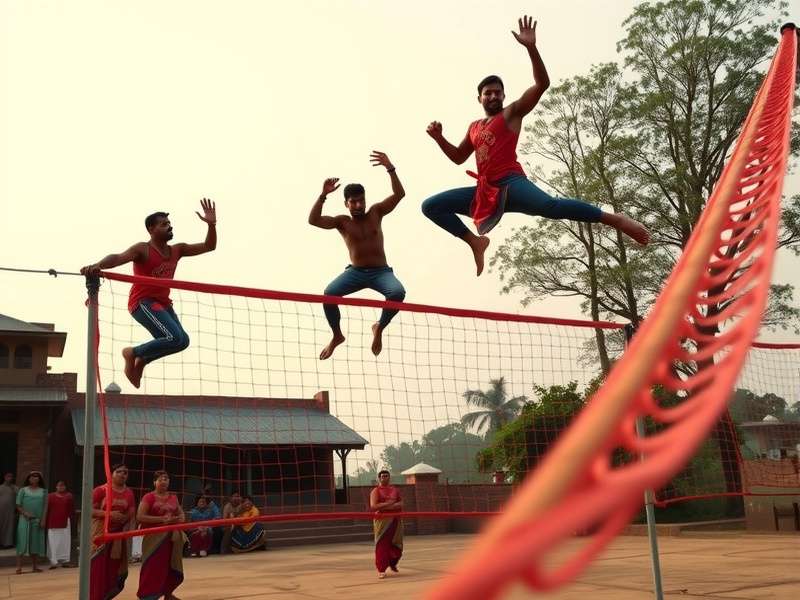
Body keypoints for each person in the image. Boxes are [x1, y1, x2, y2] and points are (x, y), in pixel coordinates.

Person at [422, 16, 650, 276]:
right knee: (431, 206)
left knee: (550, 207)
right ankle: (475, 241)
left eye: (498, 92)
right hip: (486, 192)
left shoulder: (511, 114)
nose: (494, 96)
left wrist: (531, 47)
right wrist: (440, 138)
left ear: (504, 96)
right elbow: (459, 157)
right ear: (480, 98)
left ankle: (615, 219)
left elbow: (542, 84)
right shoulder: (474, 126)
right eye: (488, 93)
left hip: (512, 184)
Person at [80, 199, 218, 388]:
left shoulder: (177, 250)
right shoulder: (142, 249)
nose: (169, 227)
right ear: (151, 229)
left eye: (170, 224)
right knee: (174, 337)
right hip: (142, 303)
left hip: (163, 304)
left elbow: (209, 246)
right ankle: (132, 353)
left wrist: (211, 224)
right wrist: (97, 265)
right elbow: (118, 257)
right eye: (164, 224)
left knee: (183, 341)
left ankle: (142, 360)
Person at [309, 151, 407, 359]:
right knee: (328, 295)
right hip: (356, 273)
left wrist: (390, 168)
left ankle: (379, 326)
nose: (359, 205)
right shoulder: (342, 222)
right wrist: (323, 195)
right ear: (346, 203)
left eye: (361, 200)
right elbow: (314, 220)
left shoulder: (376, 212)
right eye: (353, 202)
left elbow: (399, 195)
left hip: (381, 272)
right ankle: (337, 336)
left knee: (397, 293)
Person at [136, 470, 186, 600]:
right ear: (154, 482)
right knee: (152, 567)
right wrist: (162, 520)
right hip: (154, 538)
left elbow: (181, 515)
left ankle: (168, 594)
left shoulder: (173, 497)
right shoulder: (148, 497)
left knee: (170, 566)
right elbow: (140, 516)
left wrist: (176, 519)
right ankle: (147, 596)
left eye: (166, 479)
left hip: (171, 538)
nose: (164, 481)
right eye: (160, 479)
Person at [90, 463, 136, 600]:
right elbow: (88, 510)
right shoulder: (100, 490)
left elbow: (132, 511)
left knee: (114, 570)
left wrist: (125, 518)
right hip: (100, 536)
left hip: (118, 537)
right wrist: (108, 514)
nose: (123, 474)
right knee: (97, 570)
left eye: (125, 472)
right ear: (111, 473)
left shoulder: (129, 493)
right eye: (119, 471)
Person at [370, 470, 403, 579]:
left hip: (396, 520)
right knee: (382, 545)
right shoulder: (376, 491)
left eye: (387, 476)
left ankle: (392, 564)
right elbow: (374, 506)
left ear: (389, 477)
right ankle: (381, 569)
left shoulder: (395, 490)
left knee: (398, 545)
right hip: (382, 521)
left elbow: (401, 503)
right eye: (382, 476)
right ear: (379, 478)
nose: (385, 478)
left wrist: (387, 506)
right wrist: (390, 504)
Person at [15, 470, 47, 575]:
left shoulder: (44, 491)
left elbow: (45, 507)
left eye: (37, 477)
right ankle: (19, 567)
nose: (34, 478)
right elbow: (18, 505)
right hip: (24, 520)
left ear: (39, 479)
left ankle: (35, 566)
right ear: (28, 479)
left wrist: (43, 520)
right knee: (22, 541)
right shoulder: (23, 490)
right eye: (32, 477)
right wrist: (25, 513)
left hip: (37, 520)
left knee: (35, 543)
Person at [45, 480, 75, 568]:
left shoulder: (69, 496)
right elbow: (46, 509)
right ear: (56, 487)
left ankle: (65, 561)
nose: (61, 487)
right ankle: (53, 562)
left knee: (65, 542)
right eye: (59, 485)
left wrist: (73, 522)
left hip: (65, 522)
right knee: (53, 543)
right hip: (52, 522)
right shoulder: (50, 496)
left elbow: (71, 510)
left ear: (65, 487)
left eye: (63, 485)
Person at [0, 472, 17, 549]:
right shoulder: (0, 487)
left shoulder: (15, 488)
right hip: (1, 511)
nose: (9, 478)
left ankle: (7, 543)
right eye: (8, 476)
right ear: (5, 477)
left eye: (11, 477)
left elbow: (19, 497)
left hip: (10, 511)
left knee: (9, 527)